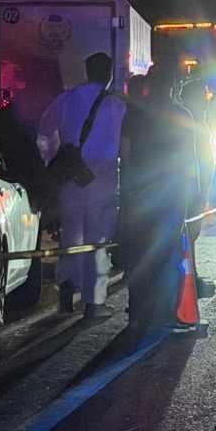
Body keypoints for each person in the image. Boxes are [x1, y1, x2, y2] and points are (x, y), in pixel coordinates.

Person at [37, 52, 126, 318]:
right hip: (105, 173)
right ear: (109, 73)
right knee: (97, 237)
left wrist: (55, 157)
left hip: (73, 171)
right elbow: (125, 141)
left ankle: (67, 287)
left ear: (87, 71)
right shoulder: (117, 104)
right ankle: (93, 302)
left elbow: (44, 131)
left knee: (71, 233)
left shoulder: (67, 99)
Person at [120, 62, 199, 332]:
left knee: (139, 250)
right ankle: (165, 312)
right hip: (172, 192)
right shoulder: (181, 114)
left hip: (140, 192)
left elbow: (126, 154)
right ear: (172, 85)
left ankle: (137, 312)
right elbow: (189, 158)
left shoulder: (134, 114)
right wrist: (193, 192)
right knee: (168, 250)